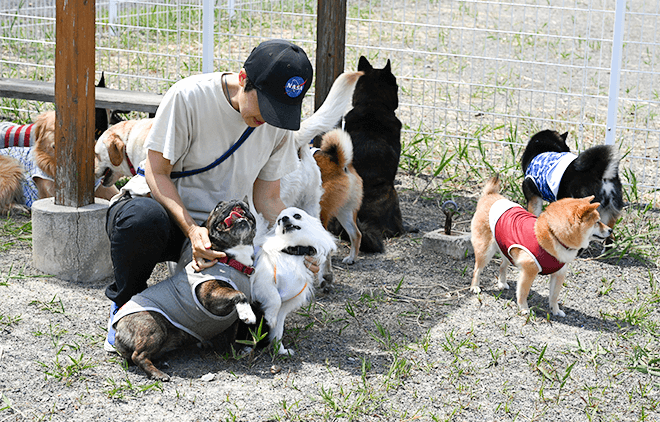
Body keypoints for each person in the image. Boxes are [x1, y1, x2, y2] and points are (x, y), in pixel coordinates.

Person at [103, 39, 316, 352]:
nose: (269, 119)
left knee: (255, 331)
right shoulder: (189, 96)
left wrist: (300, 244)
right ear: (244, 79)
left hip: (223, 232)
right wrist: (192, 229)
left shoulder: (276, 125)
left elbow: (268, 199)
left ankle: (186, 319)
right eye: (267, 107)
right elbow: (156, 172)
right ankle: (125, 305)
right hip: (163, 211)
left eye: (280, 111)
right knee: (139, 222)